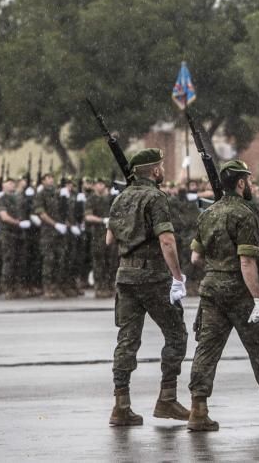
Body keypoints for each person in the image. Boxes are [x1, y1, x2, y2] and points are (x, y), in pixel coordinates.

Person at [186, 160, 259, 432]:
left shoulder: (207, 213)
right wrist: (258, 298)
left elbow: (195, 257)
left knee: (207, 349)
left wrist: (217, 270)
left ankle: (198, 409)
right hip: (239, 290)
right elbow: (247, 262)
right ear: (241, 183)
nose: (250, 184)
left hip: (211, 288)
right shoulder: (244, 214)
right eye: (248, 179)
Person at [106, 148, 190, 427]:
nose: (162, 170)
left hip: (125, 275)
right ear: (155, 171)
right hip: (152, 277)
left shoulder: (120, 198)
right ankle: (167, 398)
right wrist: (177, 275)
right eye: (161, 166)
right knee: (176, 334)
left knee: (127, 340)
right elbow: (166, 240)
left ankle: (121, 405)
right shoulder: (155, 197)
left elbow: (109, 239)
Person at [0, 176, 30, 298]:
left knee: (20, 261)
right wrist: (18, 223)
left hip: (19, 234)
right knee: (9, 261)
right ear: (3, 185)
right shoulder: (1, 199)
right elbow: (4, 216)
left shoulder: (18, 198)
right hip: (8, 233)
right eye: (9, 183)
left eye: (13, 183)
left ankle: (17, 286)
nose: (12, 185)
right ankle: (7, 288)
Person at [85, 179, 115, 298]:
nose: (100, 186)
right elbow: (88, 216)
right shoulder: (91, 199)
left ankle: (108, 285)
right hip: (97, 235)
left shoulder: (110, 199)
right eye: (98, 184)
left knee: (110, 261)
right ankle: (100, 287)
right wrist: (102, 220)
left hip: (110, 234)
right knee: (99, 262)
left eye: (102, 184)